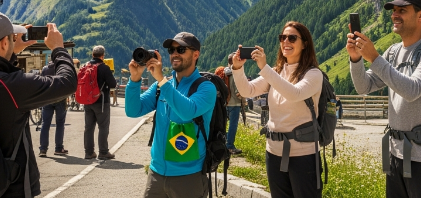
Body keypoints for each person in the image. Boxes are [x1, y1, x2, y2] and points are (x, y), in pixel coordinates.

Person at [0, 11, 76, 197]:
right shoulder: (12, 86)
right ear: (4, 43)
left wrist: (9, 52)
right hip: (9, 189)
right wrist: (58, 49)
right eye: (10, 39)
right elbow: (67, 83)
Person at [347, 0, 421, 198]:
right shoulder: (393, 52)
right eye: (394, 11)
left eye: (402, 11)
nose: (394, 15)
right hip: (396, 153)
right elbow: (364, 87)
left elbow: (412, 90)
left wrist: (374, 58)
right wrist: (356, 59)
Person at [231, 21, 324, 198]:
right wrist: (237, 68)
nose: (286, 42)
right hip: (273, 152)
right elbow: (247, 91)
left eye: (292, 38)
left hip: (304, 155)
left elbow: (295, 94)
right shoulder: (276, 72)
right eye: (282, 37)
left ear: (305, 44)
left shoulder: (313, 74)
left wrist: (265, 68)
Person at [125, 32, 216, 198]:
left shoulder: (206, 88)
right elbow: (133, 110)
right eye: (171, 50)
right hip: (156, 174)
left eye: (181, 50)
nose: (175, 54)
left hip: (188, 176)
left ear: (196, 54)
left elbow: (187, 112)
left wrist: (161, 79)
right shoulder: (161, 86)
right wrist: (135, 78)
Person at [83, 45, 117, 160]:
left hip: (87, 101)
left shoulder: (85, 66)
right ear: (102, 56)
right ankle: (103, 152)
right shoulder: (104, 68)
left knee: (88, 127)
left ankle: (89, 153)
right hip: (101, 101)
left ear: (92, 55)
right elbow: (113, 84)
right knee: (103, 127)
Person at [38, 61, 69, 157]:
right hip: (60, 98)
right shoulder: (62, 69)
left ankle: (43, 149)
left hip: (47, 99)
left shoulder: (45, 69)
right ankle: (58, 148)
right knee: (60, 124)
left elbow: (41, 82)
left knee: (45, 124)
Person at [224, 53, 245, 154]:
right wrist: (244, 98)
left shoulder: (224, 72)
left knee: (223, 124)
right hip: (235, 103)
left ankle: (223, 143)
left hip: (224, 103)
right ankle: (230, 146)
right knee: (233, 125)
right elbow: (238, 92)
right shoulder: (236, 73)